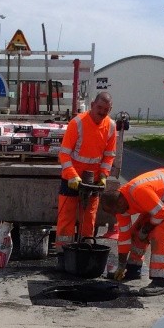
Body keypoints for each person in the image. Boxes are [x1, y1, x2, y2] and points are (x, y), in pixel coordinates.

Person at [98, 167, 164, 296]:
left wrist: (147, 228)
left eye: (115, 211)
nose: (116, 214)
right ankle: (133, 268)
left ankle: (161, 281)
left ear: (120, 201)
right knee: (136, 231)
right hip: (158, 197)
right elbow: (124, 237)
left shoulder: (139, 192)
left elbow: (161, 214)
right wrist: (121, 265)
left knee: (160, 234)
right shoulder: (120, 206)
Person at [55, 92, 117, 250]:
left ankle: (85, 250)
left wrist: (103, 176)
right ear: (92, 105)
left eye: (106, 109)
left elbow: (109, 156)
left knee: (89, 218)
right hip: (71, 179)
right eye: (100, 107)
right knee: (66, 217)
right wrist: (72, 176)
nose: (102, 112)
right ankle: (63, 251)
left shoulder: (110, 126)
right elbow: (64, 153)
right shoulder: (77, 123)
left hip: (93, 181)